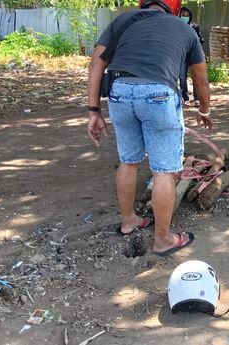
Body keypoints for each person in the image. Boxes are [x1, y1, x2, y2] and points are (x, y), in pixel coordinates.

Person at [87, 0, 215, 256]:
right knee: (164, 171)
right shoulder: (185, 29)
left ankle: (128, 221)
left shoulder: (122, 20)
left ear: (142, 4)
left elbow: (97, 64)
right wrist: (204, 110)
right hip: (159, 93)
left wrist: (93, 112)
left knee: (129, 161)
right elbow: (201, 79)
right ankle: (164, 240)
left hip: (119, 90)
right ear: (175, 9)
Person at [179, 6, 205, 107]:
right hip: (182, 56)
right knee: (182, 78)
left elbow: (200, 40)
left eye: (187, 15)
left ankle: (197, 98)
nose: (185, 17)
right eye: (183, 15)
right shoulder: (177, 26)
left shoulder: (194, 26)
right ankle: (184, 98)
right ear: (180, 15)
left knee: (196, 77)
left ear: (190, 16)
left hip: (193, 56)